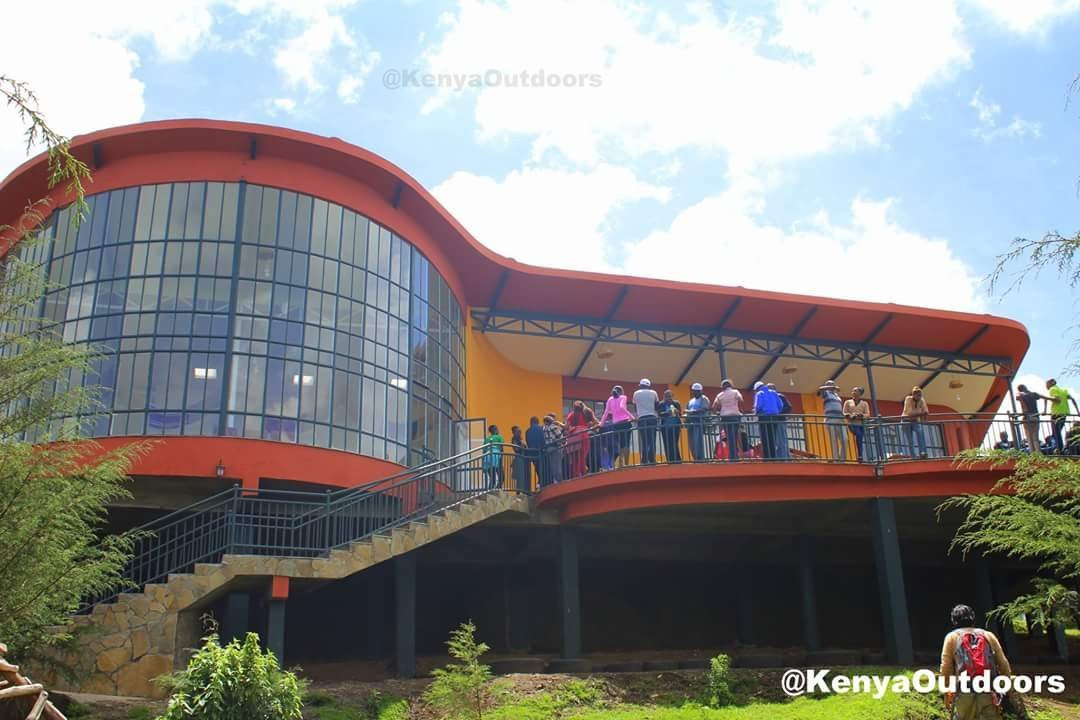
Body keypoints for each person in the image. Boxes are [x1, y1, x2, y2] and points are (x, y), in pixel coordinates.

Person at [939, 603, 1013, 720]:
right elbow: (1003, 663)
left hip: (964, 692)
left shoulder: (951, 637)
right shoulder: (988, 636)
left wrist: (945, 690)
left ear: (954, 621)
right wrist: (1007, 688)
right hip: (988, 691)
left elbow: (945, 666)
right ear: (973, 618)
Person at [600, 385, 635, 467]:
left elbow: (606, 412)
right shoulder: (623, 397)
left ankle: (620, 462)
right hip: (625, 423)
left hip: (616, 424)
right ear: (622, 391)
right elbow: (622, 407)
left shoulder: (610, 399)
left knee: (620, 444)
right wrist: (632, 417)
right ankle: (626, 463)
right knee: (626, 444)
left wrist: (601, 423)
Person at [1045, 379, 1079, 455]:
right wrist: (1078, 411)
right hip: (1064, 413)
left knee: (1056, 433)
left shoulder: (1052, 389)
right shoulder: (1063, 390)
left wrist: (1044, 397)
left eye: (1046, 384)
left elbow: (1057, 400)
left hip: (1056, 413)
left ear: (1050, 383)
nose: (1046, 386)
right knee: (1057, 433)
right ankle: (1060, 448)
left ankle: (1060, 450)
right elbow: (1072, 399)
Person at [712, 379, 743, 461]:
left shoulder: (720, 395)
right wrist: (740, 409)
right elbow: (741, 399)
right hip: (735, 417)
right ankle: (735, 456)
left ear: (722, 387)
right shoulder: (735, 392)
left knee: (729, 437)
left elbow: (714, 406)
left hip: (725, 418)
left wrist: (717, 413)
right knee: (734, 436)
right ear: (731, 385)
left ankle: (732, 457)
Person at [564, 400, 596, 479]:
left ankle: (575, 475)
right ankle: (583, 474)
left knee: (574, 458)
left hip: (572, 437)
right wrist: (589, 426)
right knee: (582, 456)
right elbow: (595, 422)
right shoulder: (586, 413)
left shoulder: (571, 415)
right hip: (583, 435)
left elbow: (566, 427)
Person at [753, 381, 784, 459]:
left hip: (764, 418)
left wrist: (756, 414)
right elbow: (780, 405)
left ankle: (767, 457)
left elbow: (758, 406)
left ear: (757, 388)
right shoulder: (773, 392)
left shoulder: (759, 393)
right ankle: (773, 457)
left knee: (765, 437)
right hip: (774, 417)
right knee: (772, 437)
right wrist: (777, 412)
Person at [1016, 384, 1048, 454]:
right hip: (1036, 416)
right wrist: (1045, 410)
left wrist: (1023, 406)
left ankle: (1033, 455)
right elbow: (1045, 398)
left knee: (1029, 438)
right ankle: (1038, 454)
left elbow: (1017, 397)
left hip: (1027, 417)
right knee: (1035, 438)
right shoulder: (1033, 394)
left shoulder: (1021, 394)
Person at [633, 379, 660, 464]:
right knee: (652, 439)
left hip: (641, 418)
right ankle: (652, 460)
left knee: (644, 440)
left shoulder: (636, 393)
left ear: (641, 385)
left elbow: (635, 406)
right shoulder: (654, 393)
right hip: (652, 417)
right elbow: (657, 406)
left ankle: (644, 460)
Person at [820, 380, 847, 461]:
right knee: (834, 440)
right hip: (830, 419)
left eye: (832, 384)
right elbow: (820, 389)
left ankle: (842, 459)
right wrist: (830, 387)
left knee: (845, 440)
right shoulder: (826, 394)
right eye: (830, 385)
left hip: (840, 419)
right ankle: (836, 459)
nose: (832, 386)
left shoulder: (837, 396)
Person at [843, 386, 871, 462]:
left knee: (860, 438)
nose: (853, 392)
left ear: (860, 393)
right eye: (853, 391)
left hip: (861, 424)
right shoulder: (847, 402)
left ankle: (860, 456)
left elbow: (868, 414)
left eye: (855, 391)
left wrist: (861, 415)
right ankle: (860, 455)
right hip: (852, 423)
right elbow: (844, 412)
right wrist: (850, 416)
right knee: (858, 434)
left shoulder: (864, 403)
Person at [901, 386, 929, 458]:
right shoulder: (908, 399)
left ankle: (922, 452)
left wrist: (924, 415)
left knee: (920, 433)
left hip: (915, 420)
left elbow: (926, 411)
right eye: (917, 394)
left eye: (920, 394)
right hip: (906, 421)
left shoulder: (922, 400)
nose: (919, 396)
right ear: (913, 395)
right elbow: (910, 413)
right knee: (910, 440)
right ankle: (913, 455)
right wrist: (921, 413)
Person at [685, 383, 710, 461]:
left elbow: (704, 409)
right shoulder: (691, 401)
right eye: (694, 391)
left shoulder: (704, 399)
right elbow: (687, 410)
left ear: (701, 391)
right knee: (691, 442)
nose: (696, 392)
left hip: (699, 423)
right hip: (690, 423)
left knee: (697, 441)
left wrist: (692, 412)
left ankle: (700, 458)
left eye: (698, 391)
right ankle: (695, 458)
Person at [657, 388, 683, 463]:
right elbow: (659, 414)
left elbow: (680, 415)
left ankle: (677, 459)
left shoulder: (676, 403)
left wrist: (677, 412)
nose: (668, 398)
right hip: (665, 427)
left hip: (675, 427)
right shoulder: (661, 404)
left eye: (670, 396)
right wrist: (667, 412)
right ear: (664, 397)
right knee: (667, 443)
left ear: (672, 396)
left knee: (674, 443)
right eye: (666, 396)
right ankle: (669, 460)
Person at [768, 383, 792, 460]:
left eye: (770, 388)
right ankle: (780, 457)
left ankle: (783, 458)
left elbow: (788, 407)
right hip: (773, 422)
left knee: (781, 440)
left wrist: (778, 413)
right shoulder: (770, 397)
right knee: (777, 441)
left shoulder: (779, 396)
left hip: (779, 421)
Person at [541, 414, 565, 486]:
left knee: (553, 466)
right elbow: (560, 437)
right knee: (558, 465)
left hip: (549, 448)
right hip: (556, 447)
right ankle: (560, 482)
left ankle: (555, 481)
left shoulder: (544, 428)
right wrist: (564, 442)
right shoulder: (554, 427)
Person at [524, 416, 545, 489]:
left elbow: (528, 442)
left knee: (537, 468)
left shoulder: (527, 431)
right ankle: (543, 482)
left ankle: (540, 482)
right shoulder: (542, 428)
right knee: (544, 467)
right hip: (541, 451)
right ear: (537, 421)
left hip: (532, 453)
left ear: (531, 422)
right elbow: (543, 439)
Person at [483, 424, 505, 489]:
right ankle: (497, 489)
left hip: (488, 457)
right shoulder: (499, 437)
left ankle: (490, 491)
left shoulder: (487, 439)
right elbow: (501, 448)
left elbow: (484, 451)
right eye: (497, 429)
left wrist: (483, 465)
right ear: (495, 430)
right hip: (496, 457)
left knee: (492, 478)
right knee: (501, 477)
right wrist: (501, 457)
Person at [510, 425, 527, 492]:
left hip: (522, 457)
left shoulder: (520, 438)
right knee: (520, 476)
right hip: (519, 457)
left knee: (522, 475)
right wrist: (522, 446)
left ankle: (522, 490)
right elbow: (516, 449)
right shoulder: (514, 438)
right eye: (518, 431)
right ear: (514, 432)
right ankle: (519, 491)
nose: (520, 432)